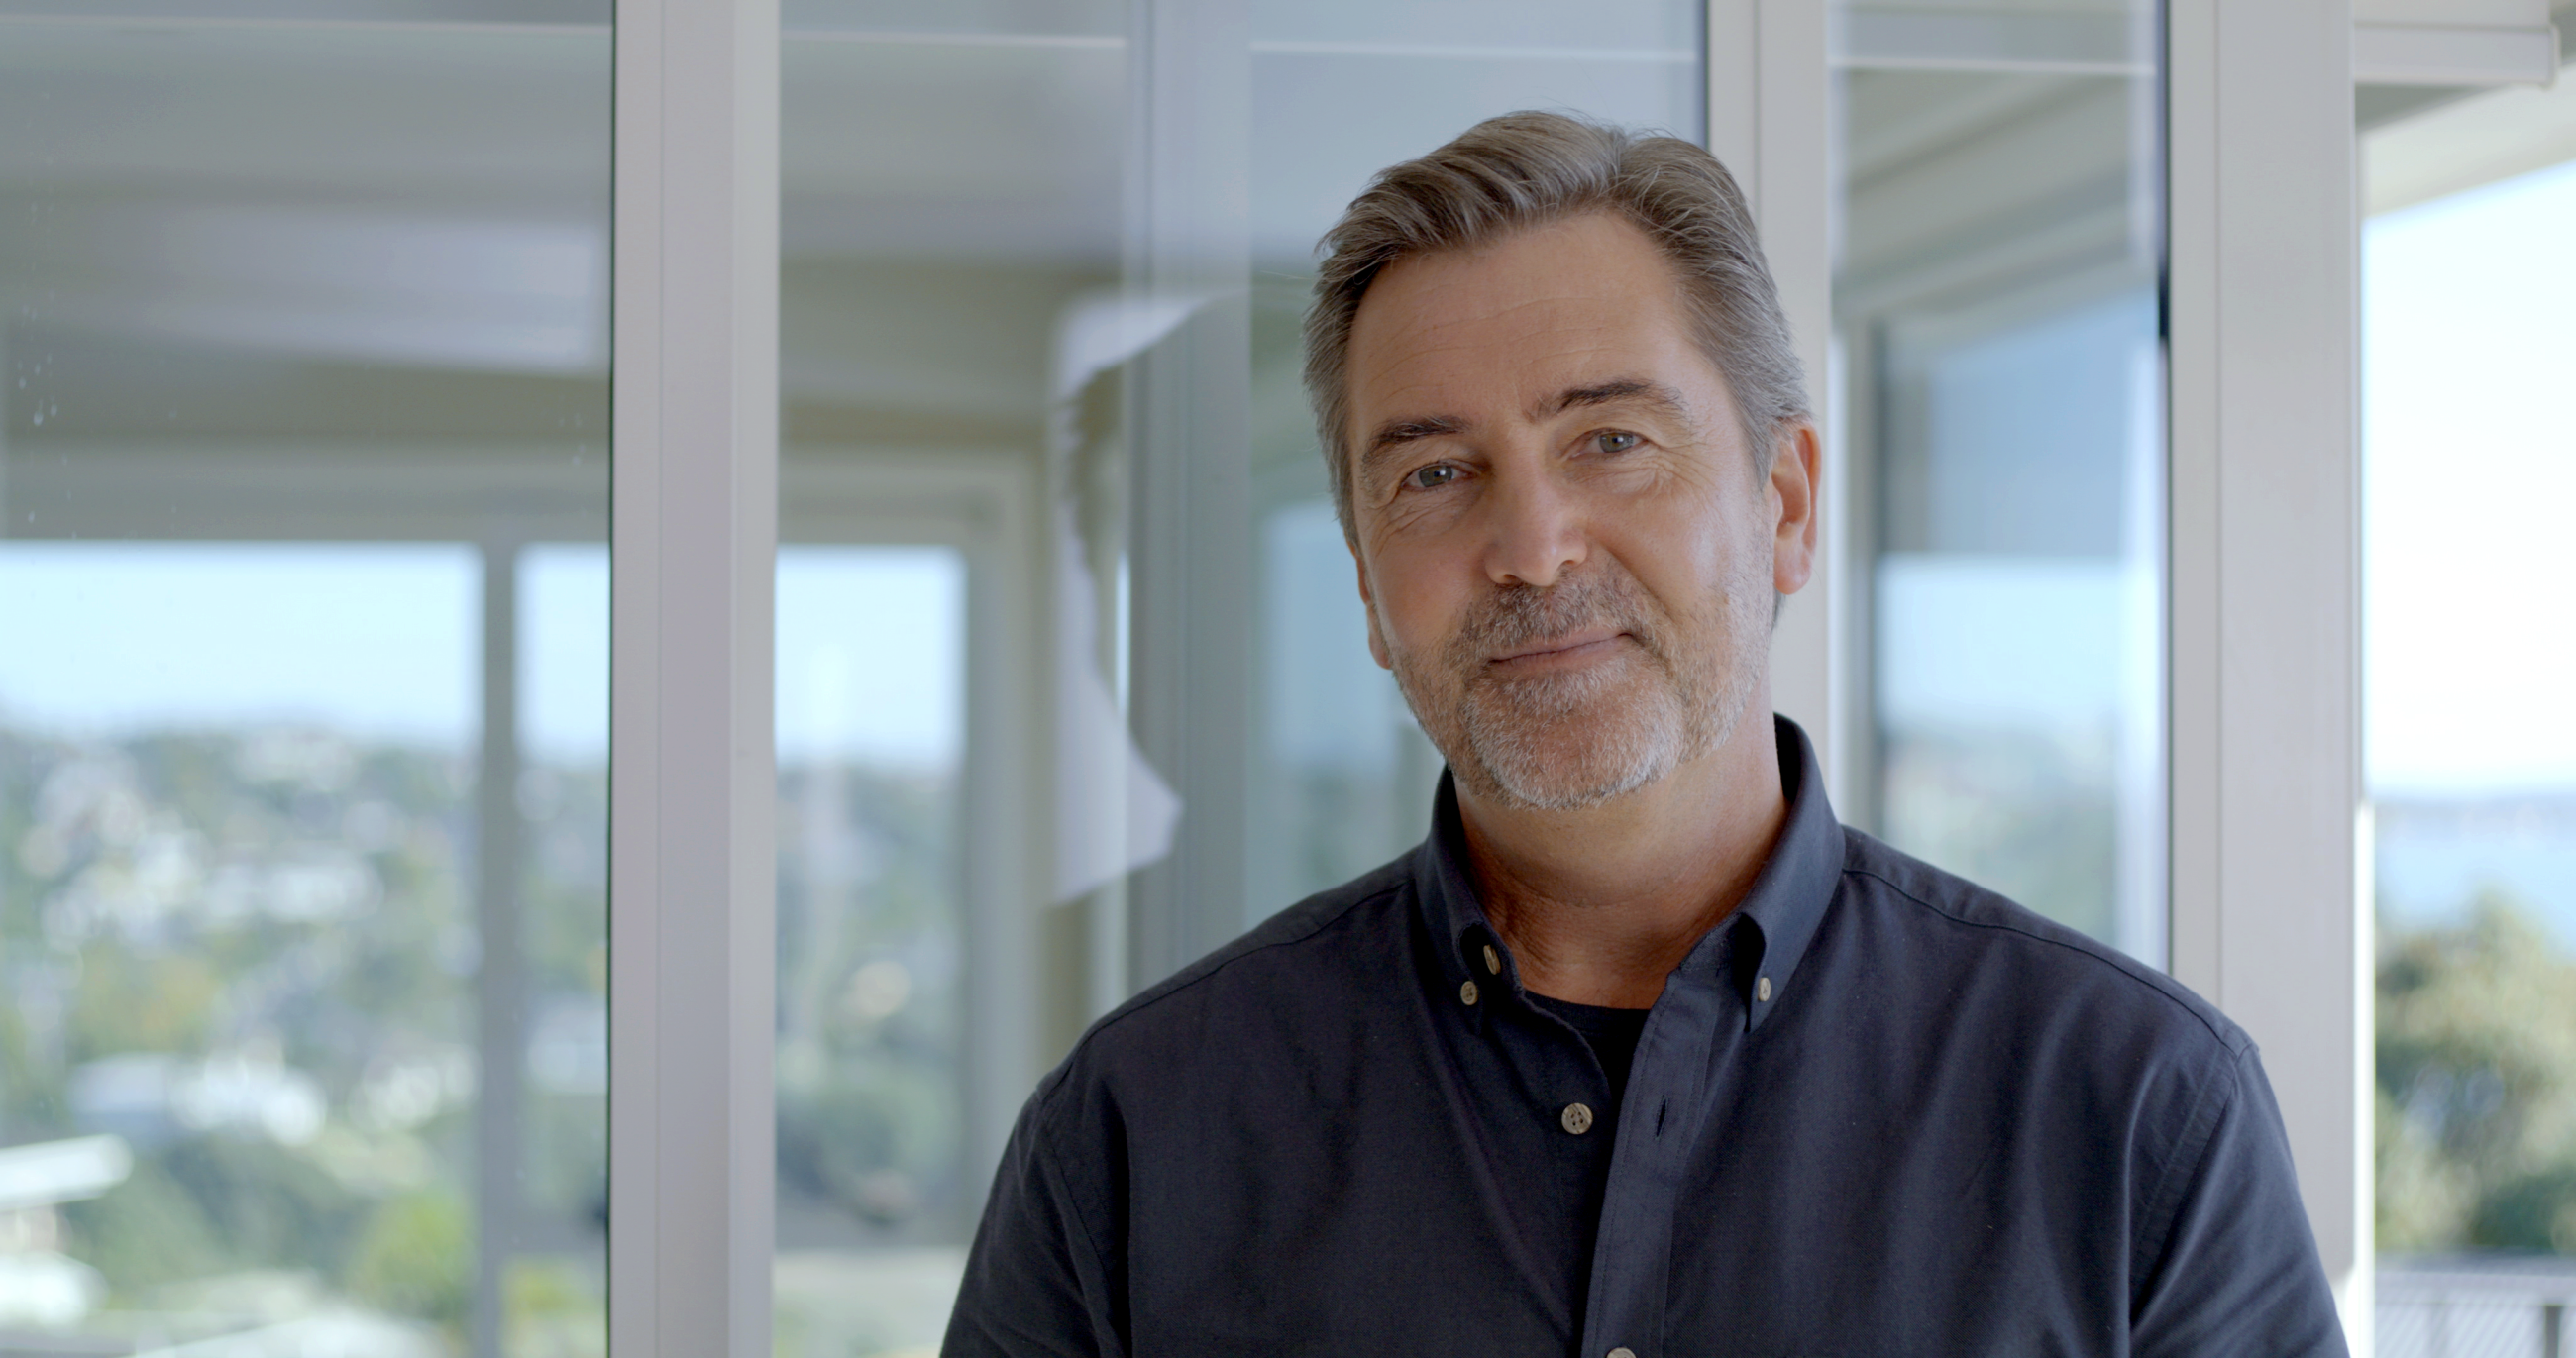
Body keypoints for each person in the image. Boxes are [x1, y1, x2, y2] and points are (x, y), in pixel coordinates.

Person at [944, 111, 2346, 1357]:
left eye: (1611, 439)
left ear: (1785, 504)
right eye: (1435, 472)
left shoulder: (2137, 1116)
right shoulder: (1135, 1137)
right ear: (1370, 586)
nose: (1533, 548)